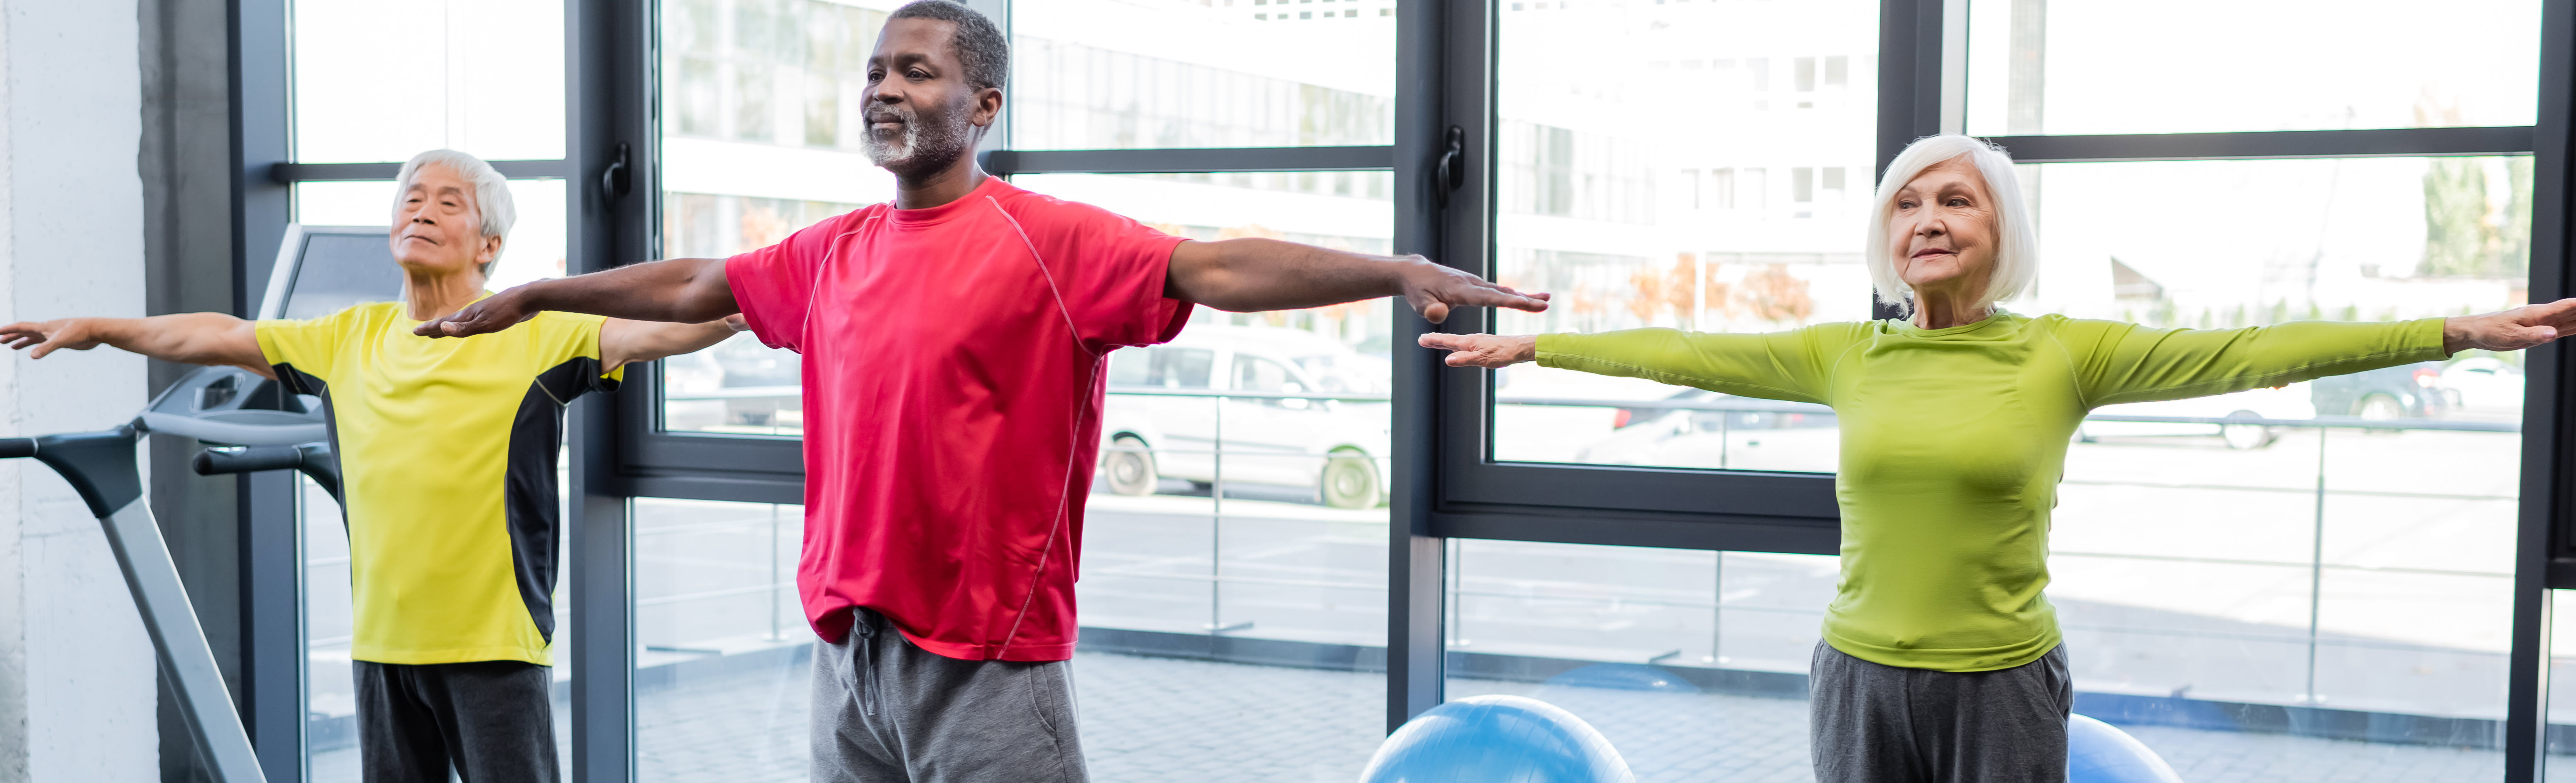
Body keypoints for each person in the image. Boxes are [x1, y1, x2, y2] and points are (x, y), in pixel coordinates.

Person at [413, 2, 1548, 781]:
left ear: (983, 107)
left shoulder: (1050, 240)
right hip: (849, 655)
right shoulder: (831, 250)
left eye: (916, 71)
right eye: (874, 71)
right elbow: (694, 282)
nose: (884, 88)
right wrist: (535, 294)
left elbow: (1217, 265)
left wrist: (1393, 268)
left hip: (989, 662)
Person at [1421, 134, 2576, 783]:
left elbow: (2247, 350)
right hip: (1857, 678)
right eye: (1905, 204)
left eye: (1954, 201)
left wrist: (2447, 331)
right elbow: (1689, 352)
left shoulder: (2060, 353)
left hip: (2001, 686)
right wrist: (1541, 345)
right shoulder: (1844, 354)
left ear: (1998, 230)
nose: (1924, 218)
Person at [1, 150, 741, 783]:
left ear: (488, 244)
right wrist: (97, 328)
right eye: (411, 199)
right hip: (384, 645)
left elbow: (668, 330)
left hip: (493, 645)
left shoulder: (540, 333)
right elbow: (215, 334)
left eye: (447, 202)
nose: (421, 210)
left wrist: (756, 304)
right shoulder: (348, 338)